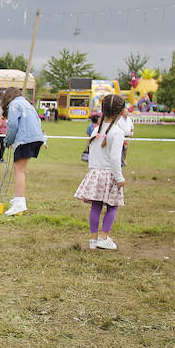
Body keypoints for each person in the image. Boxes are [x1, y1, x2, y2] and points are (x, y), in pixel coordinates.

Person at [74, 93, 126, 251]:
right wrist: (119, 177)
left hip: (95, 172)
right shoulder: (117, 132)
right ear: (121, 111)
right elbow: (115, 158)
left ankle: (93, 240)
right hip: (109, 173)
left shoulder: (96, 129)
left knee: (96, 207)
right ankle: (104, 237)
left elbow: (93, 153)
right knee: (113, 206)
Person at [0, 87, 45, 216]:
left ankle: (19, 201)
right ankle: (19, 198)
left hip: (25, 139)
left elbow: (12, 125)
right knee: (21, 169)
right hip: (35, 138)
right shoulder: (27, 104)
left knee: (19, 170)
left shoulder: (15, 104)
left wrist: (7, 141)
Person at [116, 103, 134, 168]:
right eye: (125, 112)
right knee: (122, 148)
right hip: (121, 136)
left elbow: (132, 127)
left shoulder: (129, 119)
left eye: (127, 112)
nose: (127, 113)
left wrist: (132, 133)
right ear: (122, 113)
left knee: (126, 149)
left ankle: (124, 159)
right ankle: (121, 160)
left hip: (127, 136)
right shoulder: (119, 120)